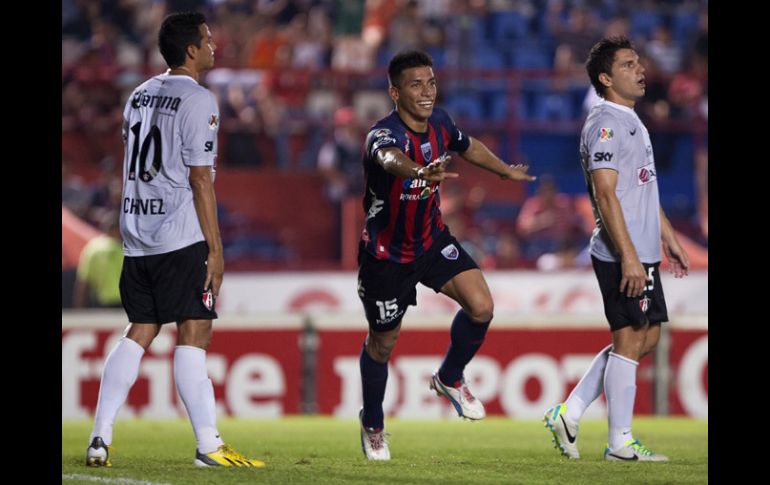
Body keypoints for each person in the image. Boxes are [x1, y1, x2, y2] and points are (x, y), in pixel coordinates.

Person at [85, 12, 265, 469]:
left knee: (140, 330)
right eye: (207, 40)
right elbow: (200, 179)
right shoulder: (199, 100)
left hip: (136, 233)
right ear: (190, 49)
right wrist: (216, 249)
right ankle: (208, 445)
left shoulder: (139, 94)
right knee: (194, 332)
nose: (213, 46)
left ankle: (100, 436)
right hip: (178, 235)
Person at [356, 50, 536, 461]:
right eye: (415, 84)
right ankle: (373, 424)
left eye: (431, 82)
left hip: (431, 241)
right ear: (394, 92)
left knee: (481, 306)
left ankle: (449, 378)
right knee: (383, 345)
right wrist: (419, 173)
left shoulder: (441, 123)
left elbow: (467, 146)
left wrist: (503, 170)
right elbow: (388, 159)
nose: (426, 91)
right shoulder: (382, 136)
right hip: (386, 256)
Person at [543, 37, 690, 462]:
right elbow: (606, 195)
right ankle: (619, 443)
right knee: (629, 338)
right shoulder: (605, 123)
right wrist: (627, 255)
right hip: (620, 251)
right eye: (628, 64)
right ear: (606, 79)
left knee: (647, 337)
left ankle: (569, 411)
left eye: (639, 61)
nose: (640, 68)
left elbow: (640, 187)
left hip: (642, 251)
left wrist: (669, 237)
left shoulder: (631, 120)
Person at [73, 211, 123, 308]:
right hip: (123, 301)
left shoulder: (92, 248)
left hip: (100, 302)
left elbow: (83, 281)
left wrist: (79, 307)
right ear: (117, 229)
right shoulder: (122, 248)